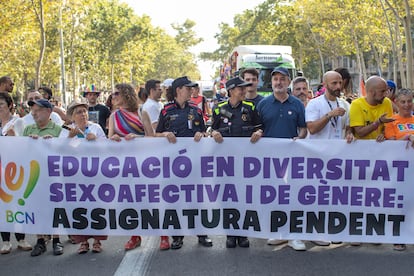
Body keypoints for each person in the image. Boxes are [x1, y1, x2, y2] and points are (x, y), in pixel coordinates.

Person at [155, 76, 213, 250]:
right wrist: (164, 135)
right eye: (188, 88)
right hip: (173, 163)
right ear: (179, 90)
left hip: (194, 162)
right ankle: (177, 236)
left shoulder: (196, 110)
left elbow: (205, 132)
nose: (192, 91)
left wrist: (201, 135)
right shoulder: (166, 111)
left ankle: (201, 233)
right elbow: (155, 135)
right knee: (176, 200)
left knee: (197, 198)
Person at [256, 67, 307, 251]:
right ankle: (278, 232)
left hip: (291, 158)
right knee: (273, 196)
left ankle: (294, 236)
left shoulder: (297, 104)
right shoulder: (263, 104)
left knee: (292, 196)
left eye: (282, 79)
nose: (279, 82)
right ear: (272, 82)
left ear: (288, 82)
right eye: (276, 79)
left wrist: (299, 138)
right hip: (268, 159)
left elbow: (303, 129)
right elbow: (257, 129)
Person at [211, 77, 263, 248]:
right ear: (231, 90)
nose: (243, 91)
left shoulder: (250, 107)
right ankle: (230, 233)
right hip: (225, 163)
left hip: (246, 163)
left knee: (244, 197)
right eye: (240, 88)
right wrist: (213, 133)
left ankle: (243, 233)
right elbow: (212, 128)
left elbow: (259, 126)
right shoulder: (219, 109)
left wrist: (259, 132)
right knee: (227, 198)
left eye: (244, 88)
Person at [107, 83, 154, 251]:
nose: (113, 97)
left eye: (116, 93)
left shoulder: (142, 112)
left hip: (144, 162)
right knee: (131, 201)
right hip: (125, 165)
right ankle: (135, 235)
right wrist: (114, 139)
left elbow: (151, 137)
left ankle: (163, 234)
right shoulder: (113, 116)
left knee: (152, 198)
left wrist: (137, 138)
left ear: (126, 94)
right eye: (113, 94)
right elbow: (110, 137)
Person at [64, 98, 107, 253]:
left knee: (96, 207)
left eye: (84, 111)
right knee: (79, 208)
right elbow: (59, 151)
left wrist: (96, 141)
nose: (82, 114)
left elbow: (107, 148)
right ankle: (83, 242)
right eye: (78, 112)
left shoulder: (96, 128)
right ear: (72, 116)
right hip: (76, 176)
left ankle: (97, 241)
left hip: (95, 174)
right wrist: (69, 139)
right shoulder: (68, 131)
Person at [22, 99, 64, 256]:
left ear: (48, 111)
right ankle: (40, 241)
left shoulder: (59, 130)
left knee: (55, 207)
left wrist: (53, 144)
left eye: (38, 109)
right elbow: (20, 153)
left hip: (53, 176)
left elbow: (66, 152)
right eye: (32, 109)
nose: (34, 112)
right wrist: (29, 143)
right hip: (34, 176)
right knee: (36, 207)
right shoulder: (27, 130)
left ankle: (56, 239)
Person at [0, 92, 32, 254]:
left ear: (10, 106)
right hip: (0, 170)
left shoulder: (18, 122)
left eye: (1, 105)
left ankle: (21, 238)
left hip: (15, 169)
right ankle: (5, 241)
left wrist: (14, 137)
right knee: (2, 205)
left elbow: (25, 144)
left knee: (18, 203)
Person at [384, 88, 414, 251]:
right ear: (396, 103)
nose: (407, 105)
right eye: (403, 101)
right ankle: (398, 237)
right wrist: (407, 137)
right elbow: (391, 143)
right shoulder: (391, 121)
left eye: (409, 101)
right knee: (399, 204)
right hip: (399, 170)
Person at [306, 71, 353, 142]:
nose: (338, 86)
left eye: (340, 83)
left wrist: (349, 134)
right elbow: (312, 129)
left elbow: (348, 128)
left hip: (338, 150)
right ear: (324, 84)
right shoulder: (314, 103)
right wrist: (329, 115)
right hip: (318, 150)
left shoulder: (345, 104)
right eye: (334, 83)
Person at [350, 76, 394, 141]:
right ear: (371, 92)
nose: (385, 95)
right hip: (362, 148)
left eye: (386, 91)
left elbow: (388, 126)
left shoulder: (387, 102)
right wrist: (378, 122)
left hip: (381, 147)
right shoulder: (356, 104)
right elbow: (360, 133)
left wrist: (383, 134)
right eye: (382, 91)